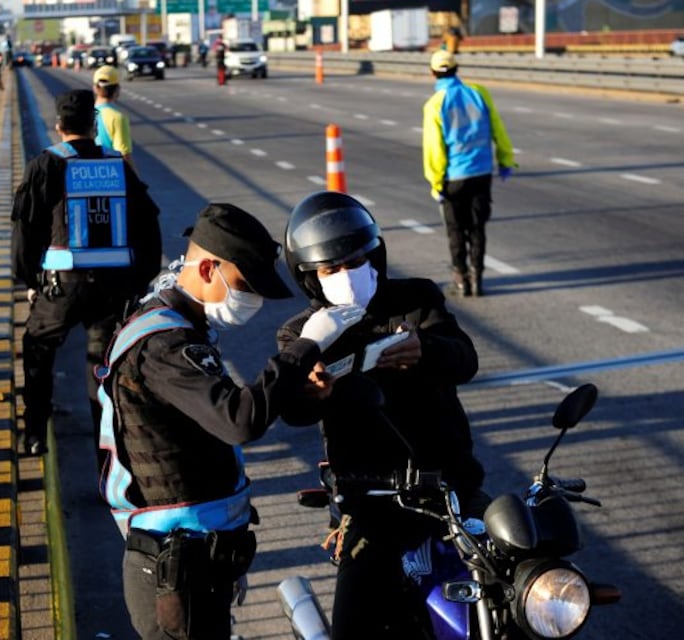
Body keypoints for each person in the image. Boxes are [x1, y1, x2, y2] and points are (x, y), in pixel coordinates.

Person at [97, 202, 363, 639]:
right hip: (174, 570)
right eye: (244, 285)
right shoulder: (164, 344)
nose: (252, 300)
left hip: (197, 559)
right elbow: (238, 420)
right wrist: (305, 347)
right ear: (206, 270)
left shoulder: (174, 319)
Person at [277, 191, 488, 638]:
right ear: (310, 278)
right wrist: (311, 387)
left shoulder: (415, 299)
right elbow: (290, 409)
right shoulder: (302, 334)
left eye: (355, 261)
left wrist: (426, 350)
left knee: (521, 586)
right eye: (331, 270)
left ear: (375, 256)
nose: (346, 275)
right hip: (372, 506)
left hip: (453, 490)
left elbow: (465, 360)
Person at [11, 89, 162, 458]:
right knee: (103, 367)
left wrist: (30, 281)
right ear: (94, 127)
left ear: (58, 126)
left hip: (63, 287)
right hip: (114, 288)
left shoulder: (46, 165)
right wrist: (140, 280)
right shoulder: (118, 165)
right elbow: (148, 226)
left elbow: (25, 230)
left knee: (38, 348)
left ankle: (34, 434)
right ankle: (107, 454)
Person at [422, 49, 517, 297]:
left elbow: (434, 149)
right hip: (481, 172)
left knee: (455, 230)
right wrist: (505, 159)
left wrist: (435, 181)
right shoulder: (479, 93)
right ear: (456, 69)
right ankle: (477, 279)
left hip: (454, 177)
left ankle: (460, 279)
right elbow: (498, 127)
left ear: (433, 73)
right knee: (477, 228)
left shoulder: (435, 104)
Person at [92, 65, 135, 172]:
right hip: (111, 177)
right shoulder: (117, 118)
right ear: (117, 89)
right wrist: (138, 184)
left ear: (95, 88)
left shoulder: (84, 114)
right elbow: (124, 156)